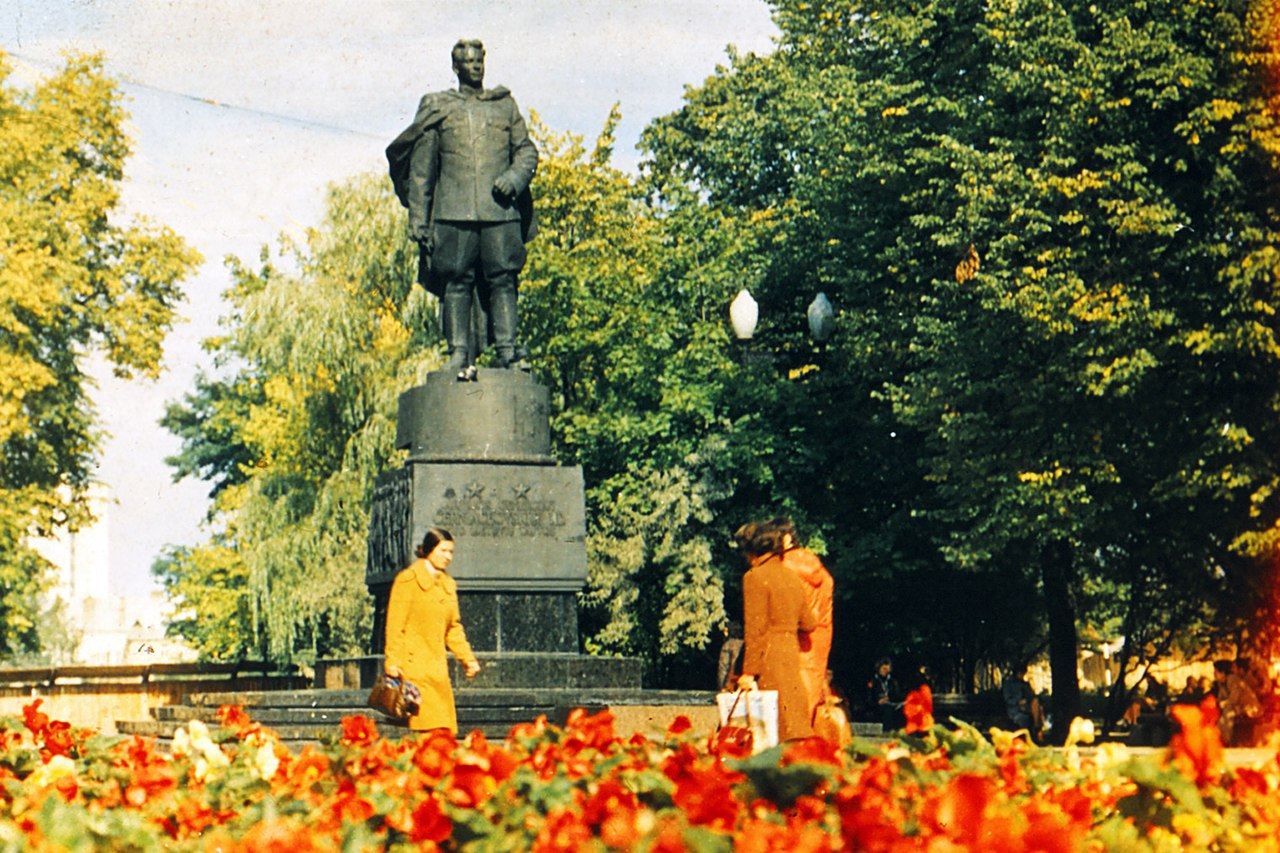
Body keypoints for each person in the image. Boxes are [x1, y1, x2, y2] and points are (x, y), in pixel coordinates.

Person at [386, 39, 539, 381]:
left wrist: (514, 179)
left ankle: (508, 352)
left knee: (504, 281)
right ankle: (457, 353)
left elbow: (526, 152)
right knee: (456, 282)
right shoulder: (439, 107)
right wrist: (419, 220)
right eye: (468, 62)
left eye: (479, 61)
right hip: (453, 213)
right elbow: (423, 170)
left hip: (499, 212)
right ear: (455, 67)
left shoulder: (504, 106)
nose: (475, 67)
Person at [383, 528, 482, 733]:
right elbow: (395, 626)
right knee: (426, 732)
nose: (448, 557)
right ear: (429, 549)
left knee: (442, 731)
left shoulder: (448, 585)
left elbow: (453, 628)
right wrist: (392, 661)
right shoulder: (408, 580)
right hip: (413, 672)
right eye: (443, 550)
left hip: (437, 672)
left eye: (451, 552)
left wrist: (467, 658)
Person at [735, 521, 819, 742]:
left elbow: (756, 629)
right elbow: (809, 623)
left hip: (767, 659)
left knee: (768, 729)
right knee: (793, 724)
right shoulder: (793, 578)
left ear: (753, 550)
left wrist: (748, 673)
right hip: (790, 655)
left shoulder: (754, 577)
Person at [763, 517, 834, 726]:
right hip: (818, 639)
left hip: (794, 639)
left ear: (785, 539)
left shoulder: (782, 567)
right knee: (809, 697)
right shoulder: (814, 565)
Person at [1001, 663, 1044, 742]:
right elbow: (1007, 699)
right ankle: (1037, 731)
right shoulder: (1009, 684)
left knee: (1037, 704)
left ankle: (1037, 728)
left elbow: (1031, 696)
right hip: (1015, 709)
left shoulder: (1025, 684)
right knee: (1024, 718)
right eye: (1021, 673)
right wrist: (1018, 702)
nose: (1022, 675)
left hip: (1027, 707)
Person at [866, 657, 903, 730]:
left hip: (891, 704)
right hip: (877, 707)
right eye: (884, 669)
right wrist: (878, 702)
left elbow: (897, 695)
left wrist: (889, 698)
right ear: (879, 669)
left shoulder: (892, 682)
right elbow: (868, 699)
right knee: (887, 710)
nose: (886, 671)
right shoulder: (873, 682)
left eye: (887, 669)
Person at [717, 620, 745, 691]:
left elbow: (723, 668)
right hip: (745, 683)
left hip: (730, 685)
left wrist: (721, 687)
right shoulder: (745, 644)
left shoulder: (728, 645)